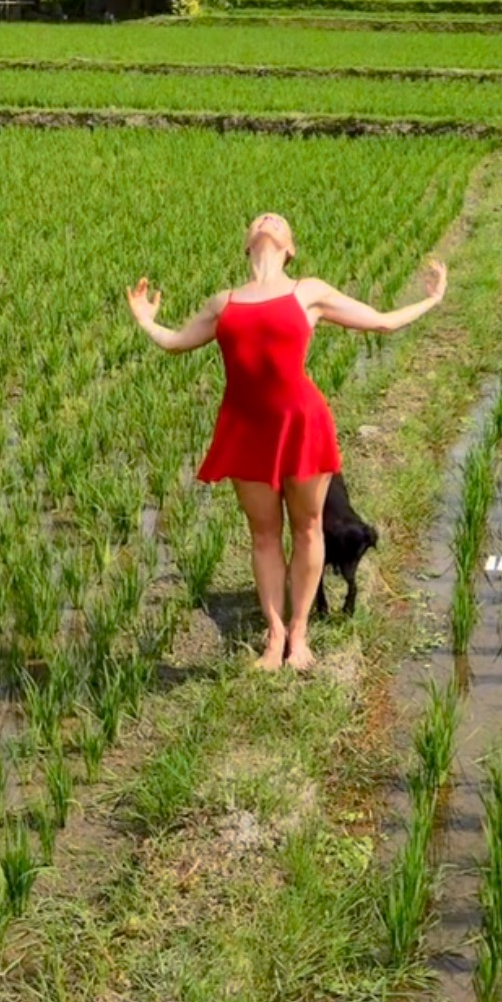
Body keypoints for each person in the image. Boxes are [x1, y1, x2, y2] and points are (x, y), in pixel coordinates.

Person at [126, 213, 446, 671]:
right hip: (246, 427)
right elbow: (176, 342)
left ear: (289, 247)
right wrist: (145, 320)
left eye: (278, 221)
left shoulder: (308, 292)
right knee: (263, 536)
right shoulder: (224, 303)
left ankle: (300, 635)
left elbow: (381, 323)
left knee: (309, 528)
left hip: (302, 424)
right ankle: (274, 639)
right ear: (248, 242)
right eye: (261, 219)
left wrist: (432, 300)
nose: (269, 220)